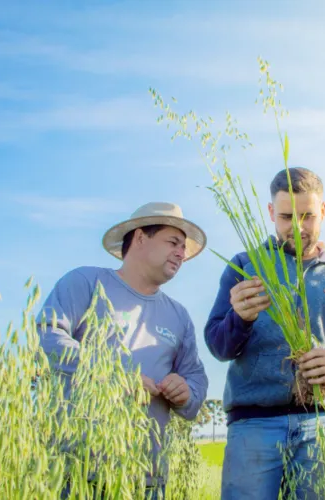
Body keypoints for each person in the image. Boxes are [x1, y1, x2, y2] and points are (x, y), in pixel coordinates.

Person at [204, 167, 325, 500]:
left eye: (308, 216)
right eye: (285, 217)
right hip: (252, 425)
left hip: (321, 424)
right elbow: (218, 345)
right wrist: (239, 318)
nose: (296, 228)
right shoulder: (244, 265)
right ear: (270, 213)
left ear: (323, 211)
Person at [36, 201, 210, 499]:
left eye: (183, 247)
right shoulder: (85, 282)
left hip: (147, 477)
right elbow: (48, 338)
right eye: (173, 242)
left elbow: (194, 382)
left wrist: (185, 392)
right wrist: (116, 375)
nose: (181, 253)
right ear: (140, 237)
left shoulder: (179, 315)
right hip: (78, 471)